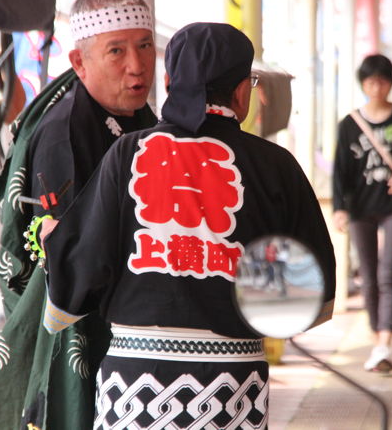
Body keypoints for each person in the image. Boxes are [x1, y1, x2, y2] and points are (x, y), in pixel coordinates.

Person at [40, 22, 336, 429]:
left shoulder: (127, 153)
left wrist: (55, 244)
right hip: (232, 388)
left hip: (135, 386)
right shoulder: (276, 166)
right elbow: (309, 296)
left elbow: (79, 271)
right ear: (240, 92)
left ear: (168, 81)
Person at [0, 0, 157, 430]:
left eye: (145, 46)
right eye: (116, 51)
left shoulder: (139, 117)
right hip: (84, 327)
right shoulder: (64, 135)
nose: (137, 66)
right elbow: (72, 258)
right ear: (79, 62)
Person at [332, 54, 392, 373]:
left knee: (388, 273)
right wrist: (339, 208)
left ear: (390, 83)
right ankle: (376, 339)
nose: (377, 87)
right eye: (371, 82)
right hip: (360, 208)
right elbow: (340, 170)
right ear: (363, 84)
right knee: (368, 277)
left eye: (382, 81)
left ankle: (384, 342)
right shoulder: (350, 124)